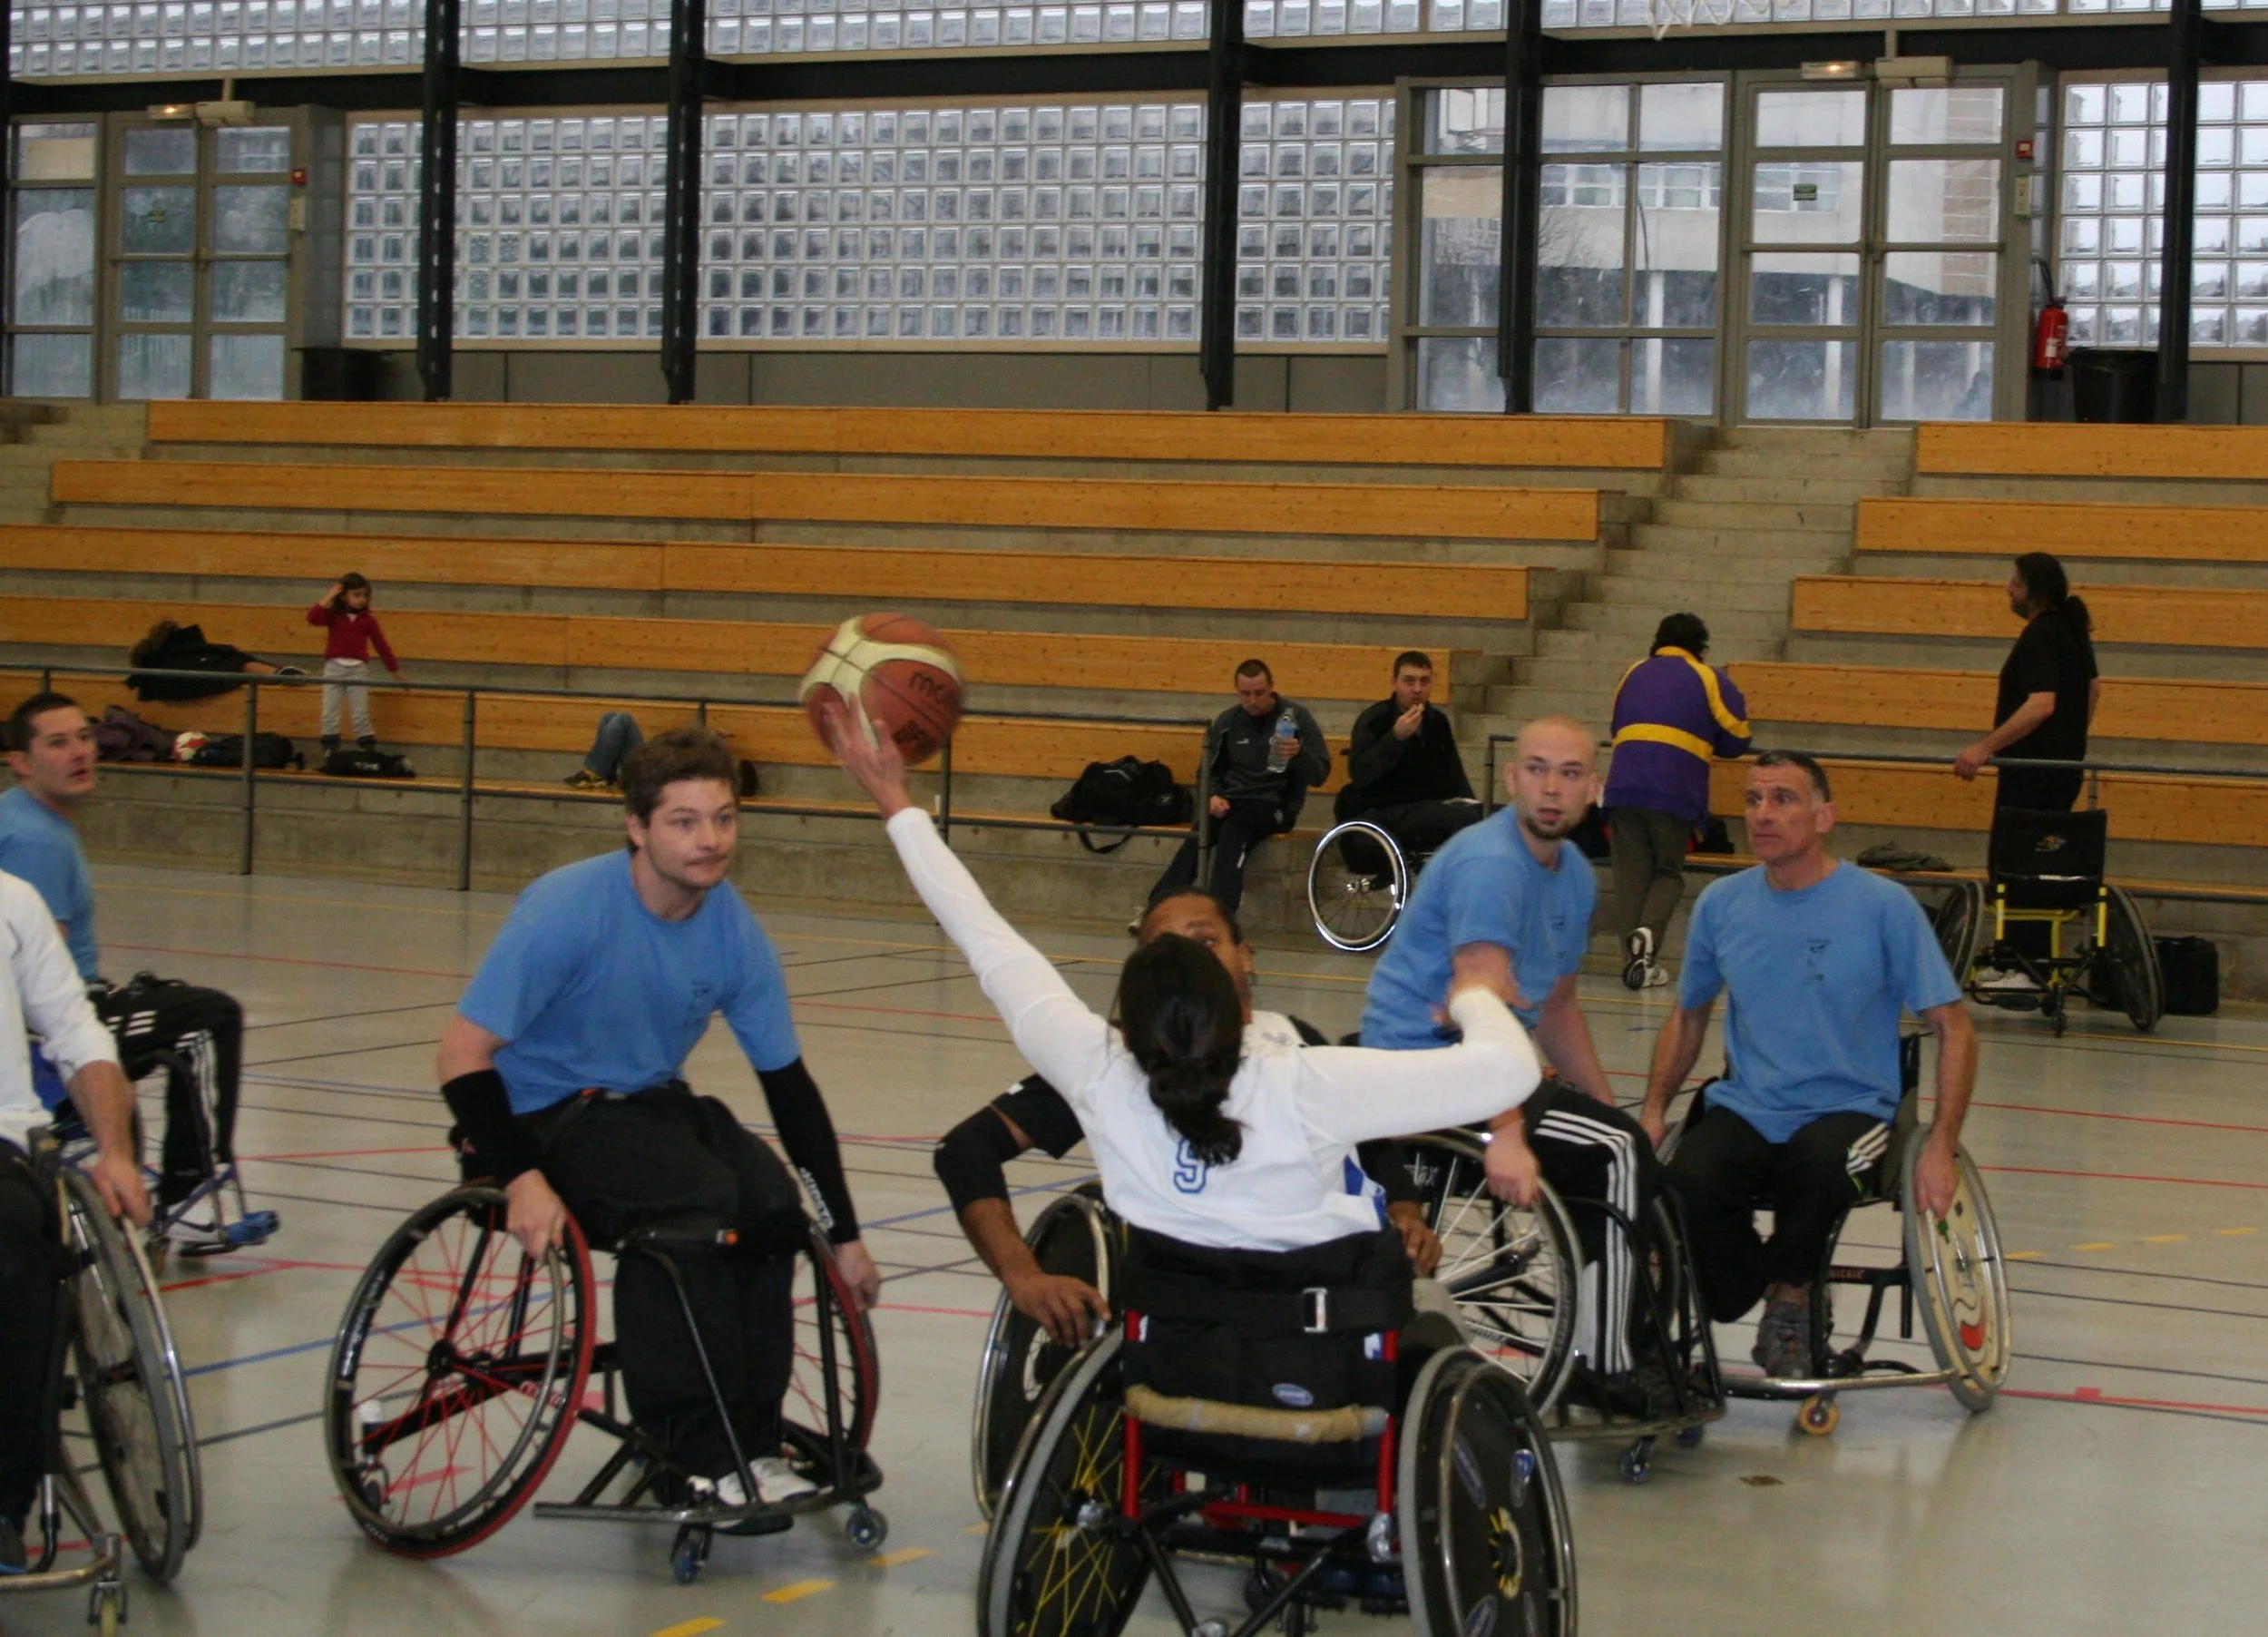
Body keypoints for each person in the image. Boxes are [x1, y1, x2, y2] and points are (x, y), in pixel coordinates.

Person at [825, 699, 1538, 1264]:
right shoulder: (1306, 1082)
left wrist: (895, 801)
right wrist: (1475, 995)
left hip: (1170, 1354)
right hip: (1317, 1352)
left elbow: (984, 936)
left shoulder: (1099, 1070)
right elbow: (1507, 1072)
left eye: (1202, 937)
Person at [435, 725, 879, 1509]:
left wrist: (844, 1234)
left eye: (724, 818)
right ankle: (692, 1452)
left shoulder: (731, 926)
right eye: (684, 821)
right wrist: (522, 1179)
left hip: (644, 1104)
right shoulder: (567, 910)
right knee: (691, 1209)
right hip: (534, 1116)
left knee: (770, 1205)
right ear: (636, 827)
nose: (711, 840)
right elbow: (461, 1056)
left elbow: (789, 1088)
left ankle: (751, 1441)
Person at [932, 886, 1442, 1348]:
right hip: (1194, 1306)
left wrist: (1406, 1213)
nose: (1188, 959)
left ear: (1245, 956)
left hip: (1321, 1289)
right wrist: (1023, 1276)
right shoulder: (1117, 1063)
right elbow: (966, 1149)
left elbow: (1367, 1143)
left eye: (1205, 941)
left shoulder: (1294, 1039)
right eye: (1166, 947)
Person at [1359, 715, 1668, 1407]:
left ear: (1594, 789)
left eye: (1569, 774)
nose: (1551, 789)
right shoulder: (1491, 865)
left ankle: (1620, 1329)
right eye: (1536, 770)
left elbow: (1556, 1006)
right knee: (1616, 1154)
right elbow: (1476, 1002)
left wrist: (1602, 1101)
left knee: (1621, 1141)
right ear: (1510, 779)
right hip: (1421, 1068)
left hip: (1482, 1064)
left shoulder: (1576, 876)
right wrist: (1506, 1134)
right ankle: (1609, 1369)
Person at [1637, 750, 1977, 1379]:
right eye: (1753, 799)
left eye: (1783, 799)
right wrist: (1655, 1111)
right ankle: (1748, 1284)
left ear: (1825, 817)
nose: (1763, 814)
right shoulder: (1721, 903)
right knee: (1689, 1182)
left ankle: (1793, 1299)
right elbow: (1687, 1016)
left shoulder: (1883, 906)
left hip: (1851, 1108)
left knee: (1819, 1169)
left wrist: (1941, 1144)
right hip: (1749, 1104)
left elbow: (1954, 1027)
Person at [0, 691, 255, 1250]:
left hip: (72, 1002)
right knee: (208, 1018)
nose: (79, 752)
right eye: (57, 743)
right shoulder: (36, 840)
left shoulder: (24, 817)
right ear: (20, 761)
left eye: (84, 737)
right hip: (46, 1028)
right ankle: (188, 1195)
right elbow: (35, 977)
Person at [0, 868, 149, 1573]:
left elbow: (77, 1034)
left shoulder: (12, 901)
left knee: (12, 1250)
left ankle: (3, 1503)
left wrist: (115, 1152)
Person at [1601, 613, 1752, 991]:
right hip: (1674, 791)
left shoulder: (1632, 672)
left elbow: (1616, 726)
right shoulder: (1707, 676)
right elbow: (1738, 737)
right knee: (1667, 872)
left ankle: (1634, 963)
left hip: (1623, 787)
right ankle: (1648, 936)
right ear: (1701, 647)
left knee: (1630, 878)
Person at [1148, 659, 1329, 917]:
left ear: (1272, 687)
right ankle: (1158, 907)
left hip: (1273, 803)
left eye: (1259, 693)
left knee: (1234, 831)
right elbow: (1207, 771)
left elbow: (1320, 774)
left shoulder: (1296, 718)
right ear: (1236, 691)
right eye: (1245, 694)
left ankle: (1219, 913)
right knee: (1202, 831)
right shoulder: (1227, 721)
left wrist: (1299, 755)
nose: (1253, 701)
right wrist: (1212, 795)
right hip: (1231, 799)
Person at [1953, 552, 2100, 815]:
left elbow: (2041, 705)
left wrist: (1983, 748)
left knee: (2018, 841)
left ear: (2035, 593)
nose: (2008, 588)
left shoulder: (2040, 634)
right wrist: (2068, 741)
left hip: (2031, 776)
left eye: (2016, 583)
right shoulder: (2071, 628)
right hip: (2064, 774)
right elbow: (2094, 690)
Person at [1333, 650, 1484, 857]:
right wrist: (1395, 738)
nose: (1417, 689)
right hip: (1388, 808)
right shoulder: (1375, 720)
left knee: (1494, 814)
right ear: (1394, 683)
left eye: (1424, 681)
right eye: (1409, 681)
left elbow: (1455, 772)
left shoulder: (1437, 721)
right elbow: (1360, 774)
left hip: (1432, 805)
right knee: (1459, 817)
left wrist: (1473, 804)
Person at [307, 573, 404, 757]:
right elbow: (312, 618)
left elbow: (382, 646)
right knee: (330, 712)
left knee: (360, 713)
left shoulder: (368, 620)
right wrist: (329, 595)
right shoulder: (334, 616)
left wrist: (394, 670)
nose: (361, 599)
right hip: (334, 669)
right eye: (356, 595)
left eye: (365, 595)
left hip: (358, 670)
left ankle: (367, 750)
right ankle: (330, 750)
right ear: (344, 596)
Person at [125, 618, 296, 703]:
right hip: (197, 671)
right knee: (241, 665)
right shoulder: (170, 654)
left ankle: (281, 674)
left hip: (197, 669)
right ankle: (280, 675)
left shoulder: (171, 653)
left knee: (241, 665)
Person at [565, 710, 644, 791]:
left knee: (623, 719)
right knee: (608, 717)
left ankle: (595, 772)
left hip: (646, 772)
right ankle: (607, 775)